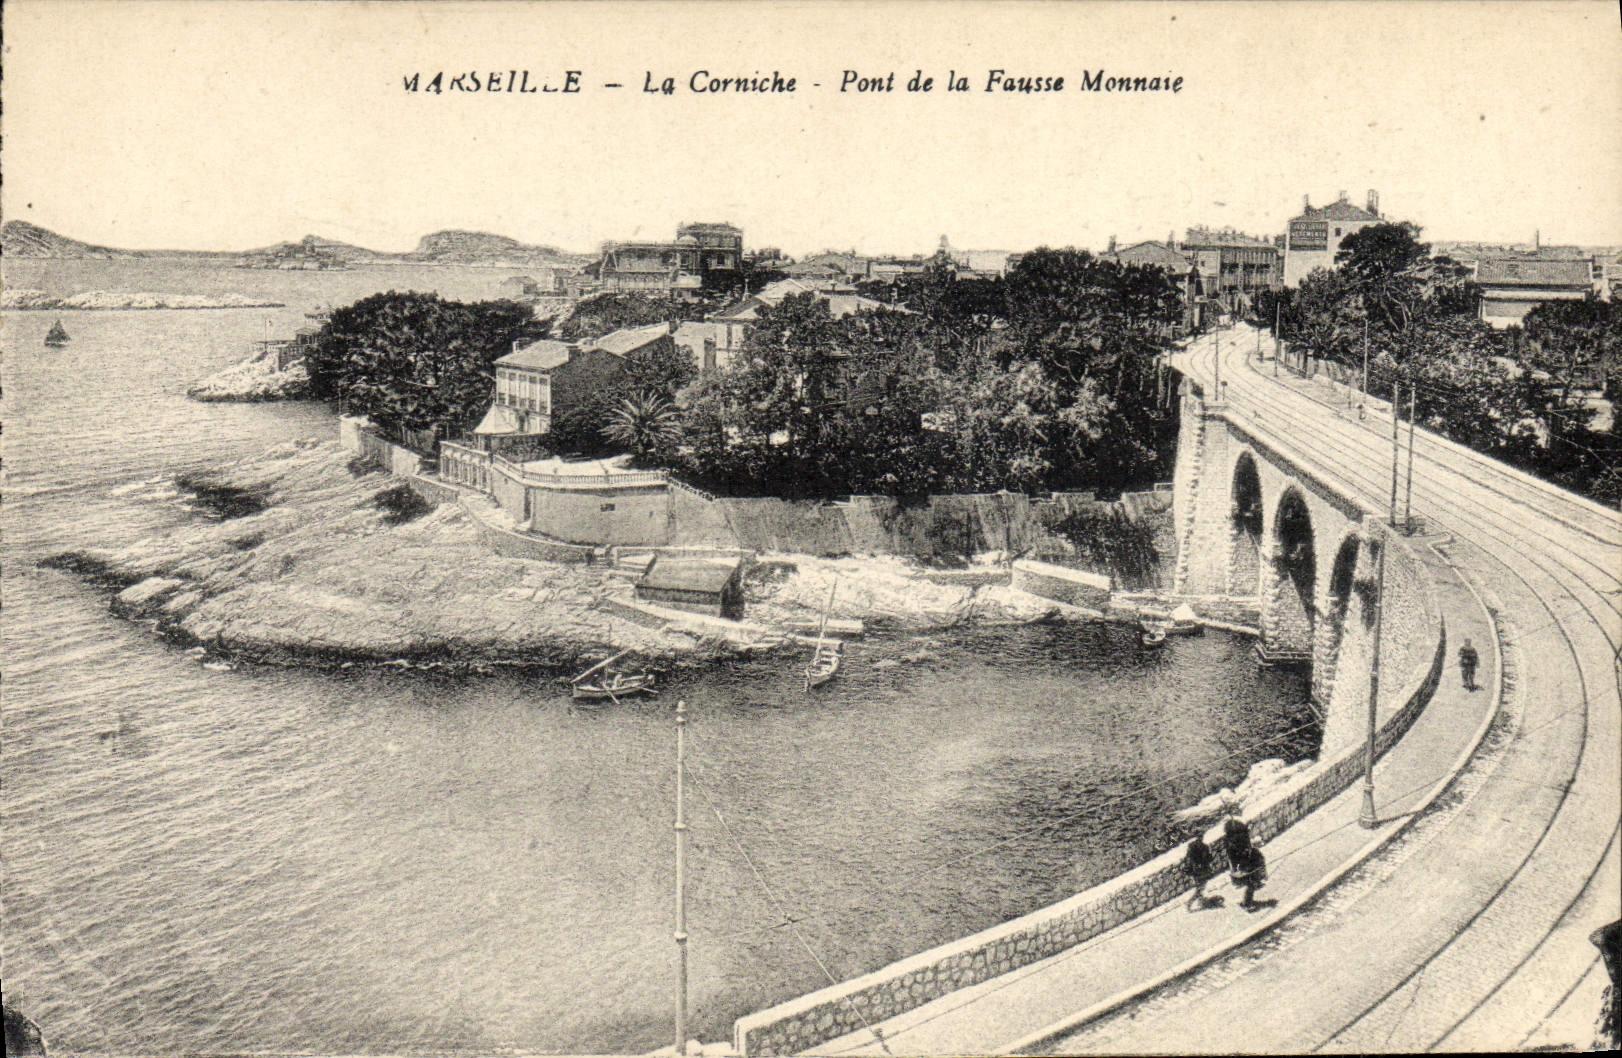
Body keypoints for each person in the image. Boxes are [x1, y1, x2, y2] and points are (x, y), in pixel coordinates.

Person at [1181, 834, 1219, 911]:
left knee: (1201, 887)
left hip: (1203, 870)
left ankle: (1200, 900)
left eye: (1201, 837)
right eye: (1198, 837)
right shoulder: (1192, 847)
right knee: (1200, 888)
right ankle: (1190, 903)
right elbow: (1189, 859)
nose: (1200, 839)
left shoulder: (1204, 846)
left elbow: (1208, 857)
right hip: (1197, 872)